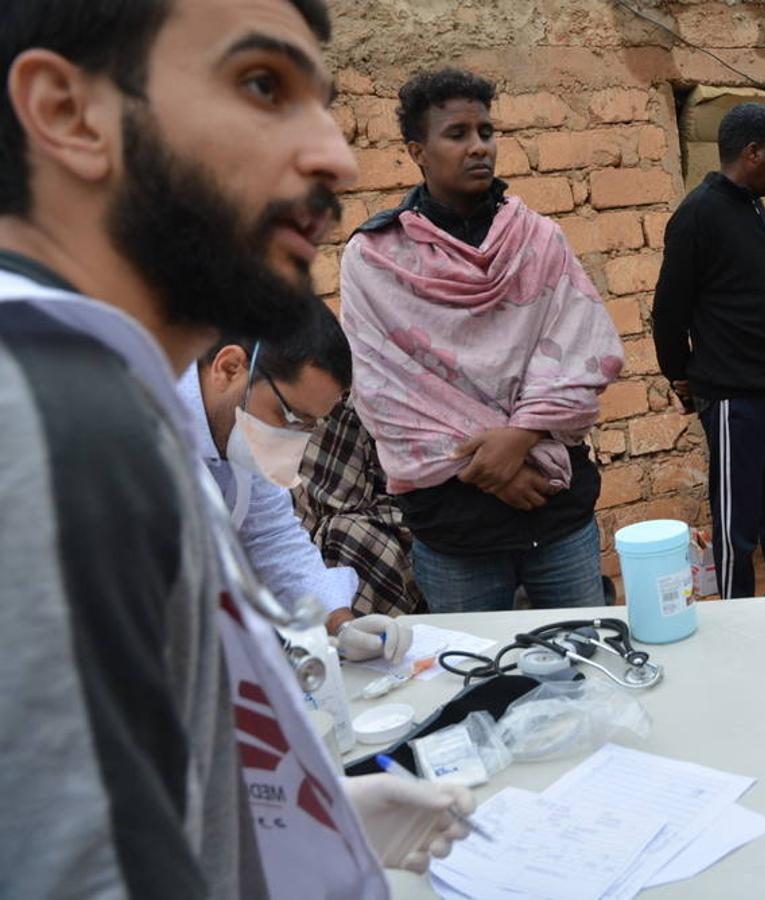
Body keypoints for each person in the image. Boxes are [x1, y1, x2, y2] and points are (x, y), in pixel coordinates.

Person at [0, 1, 474, 895]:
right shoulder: (43, 416)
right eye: (263, 85)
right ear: (67, 113)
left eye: (323, 102)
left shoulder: (113, 399)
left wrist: (299, 827)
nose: (338, 155)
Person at [341, 67, 622, 614]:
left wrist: (518, 440)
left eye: (486, 132)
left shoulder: (538, 241)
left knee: (585, 671)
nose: (479, 148)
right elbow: (383, 395)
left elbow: (583, 349)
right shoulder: (373, 260)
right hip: (456, 530)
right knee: (480, 686)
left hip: (556, 513)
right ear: (417, 151)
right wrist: (496, 472)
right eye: (457, 134)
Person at [182, 301, 412, 661]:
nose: (294, 439)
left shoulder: (235, 432)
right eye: (290, 415)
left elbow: (271, 537)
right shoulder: (133, 433)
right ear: (229, 369)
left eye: (310, 425)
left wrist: (339, 623)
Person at [653, 102, 765, 598]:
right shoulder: (698, 215)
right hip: (734, 401)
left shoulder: (755, 205)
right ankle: (740, 617)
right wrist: (681, 376)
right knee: (738, 527)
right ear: (752, 151)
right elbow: (669, 310)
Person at [293, 394, 429, 617]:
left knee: (348, 534)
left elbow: (343, 498)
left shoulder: (346, 397)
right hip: (301, 540)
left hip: (395, 522)